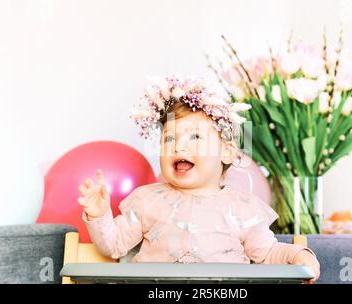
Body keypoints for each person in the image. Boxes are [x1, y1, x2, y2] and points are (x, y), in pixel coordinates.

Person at [77, 75, 320, 283]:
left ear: (226, 152)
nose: (179, 147)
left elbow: (267, 254)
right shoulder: (148, 200)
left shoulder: (242, 207)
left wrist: (296, 255)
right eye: (169, 140)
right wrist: (99, 215)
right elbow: (114, 244)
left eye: (194, 137)